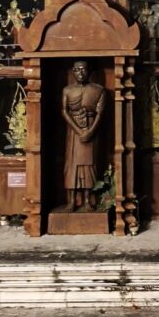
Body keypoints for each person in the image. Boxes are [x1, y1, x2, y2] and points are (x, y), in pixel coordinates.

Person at [61, 60, 106, 211]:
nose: (80, 73)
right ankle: (72, 201)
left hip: (91, 130)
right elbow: (64, 111)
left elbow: (100, 113)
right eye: (77, 70)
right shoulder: (67, 90)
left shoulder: (98, 90)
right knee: (71, 166)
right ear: (73, 71)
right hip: (73, 132)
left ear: (89, 71)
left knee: (89, 166)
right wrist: (78, 131)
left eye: (83, 69)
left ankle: (88, 200)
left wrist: (91, 131)